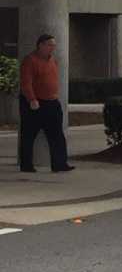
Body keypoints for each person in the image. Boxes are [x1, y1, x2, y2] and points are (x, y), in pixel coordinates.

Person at [18, 32, 72, 173]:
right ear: (40, 45)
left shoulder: (53, 60)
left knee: (57, 135)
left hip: (52, 102)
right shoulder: (30, 60)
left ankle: (60, 164)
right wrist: (32, 99)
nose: (52, 48)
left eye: (53, 45)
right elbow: (26, 83)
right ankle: (26, 165)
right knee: (29, 135)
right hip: (35, 103)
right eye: (49, 45)